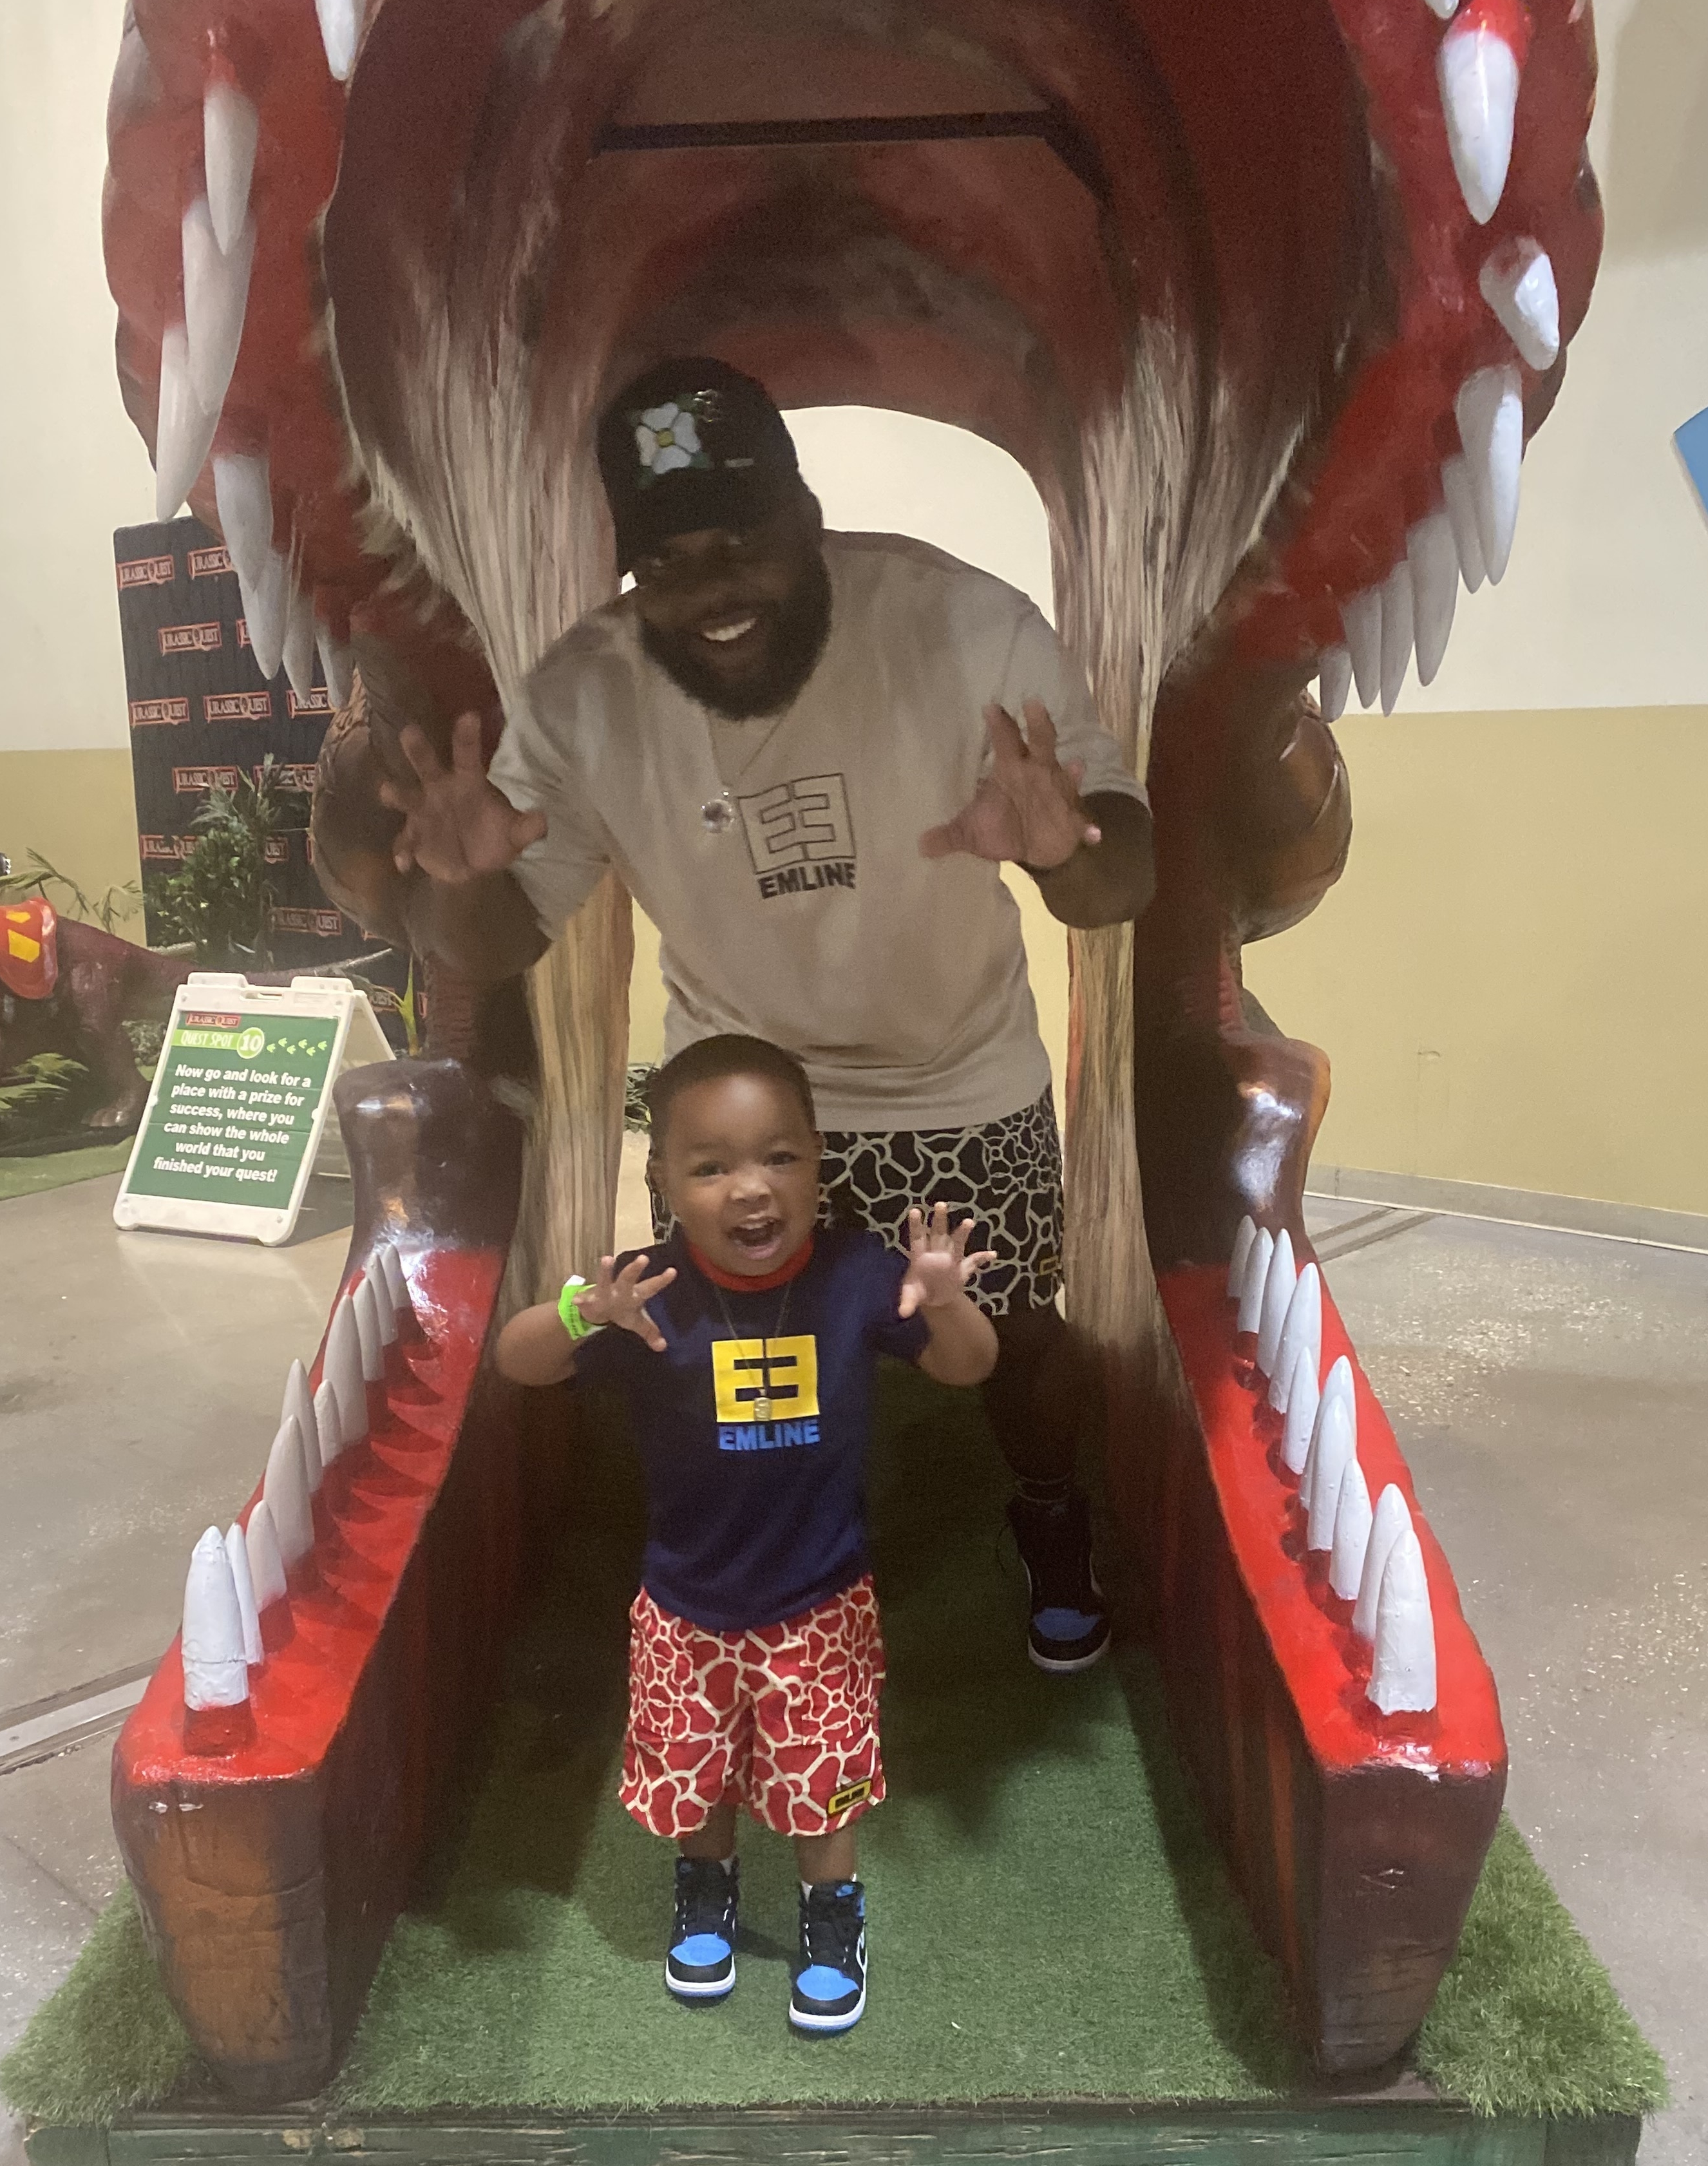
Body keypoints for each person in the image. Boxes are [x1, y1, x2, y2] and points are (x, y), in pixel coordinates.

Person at [384, 357, 1155, 1675]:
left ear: (808, 517)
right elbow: (501, 936)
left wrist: (1061, 850)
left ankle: (1046, 1509)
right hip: (736, 1093)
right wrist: (457, 891)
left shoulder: (967, 630)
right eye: (669, 562)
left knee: (1016, 1329)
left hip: (955, 1072)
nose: (714, 590)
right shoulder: (582, 696)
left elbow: (1119, 877)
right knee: (717, 1349)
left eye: (743, 541)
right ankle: (744, 1551)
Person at [495, 1034, 998, 2036]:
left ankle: (831, 1911)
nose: (751, 1188)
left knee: (824, 1779)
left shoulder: (858, 1272)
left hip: (821, 1602)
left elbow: (967, 1367)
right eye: (711, 1166)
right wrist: (583, 1311)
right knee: (697, 1774)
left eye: (779, 1156)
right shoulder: (647, 1291)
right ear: (663, 1181)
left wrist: (946, 1301)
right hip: (686, 1605)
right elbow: (519, 1361)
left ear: (819, 1161)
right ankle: (706, 1886)